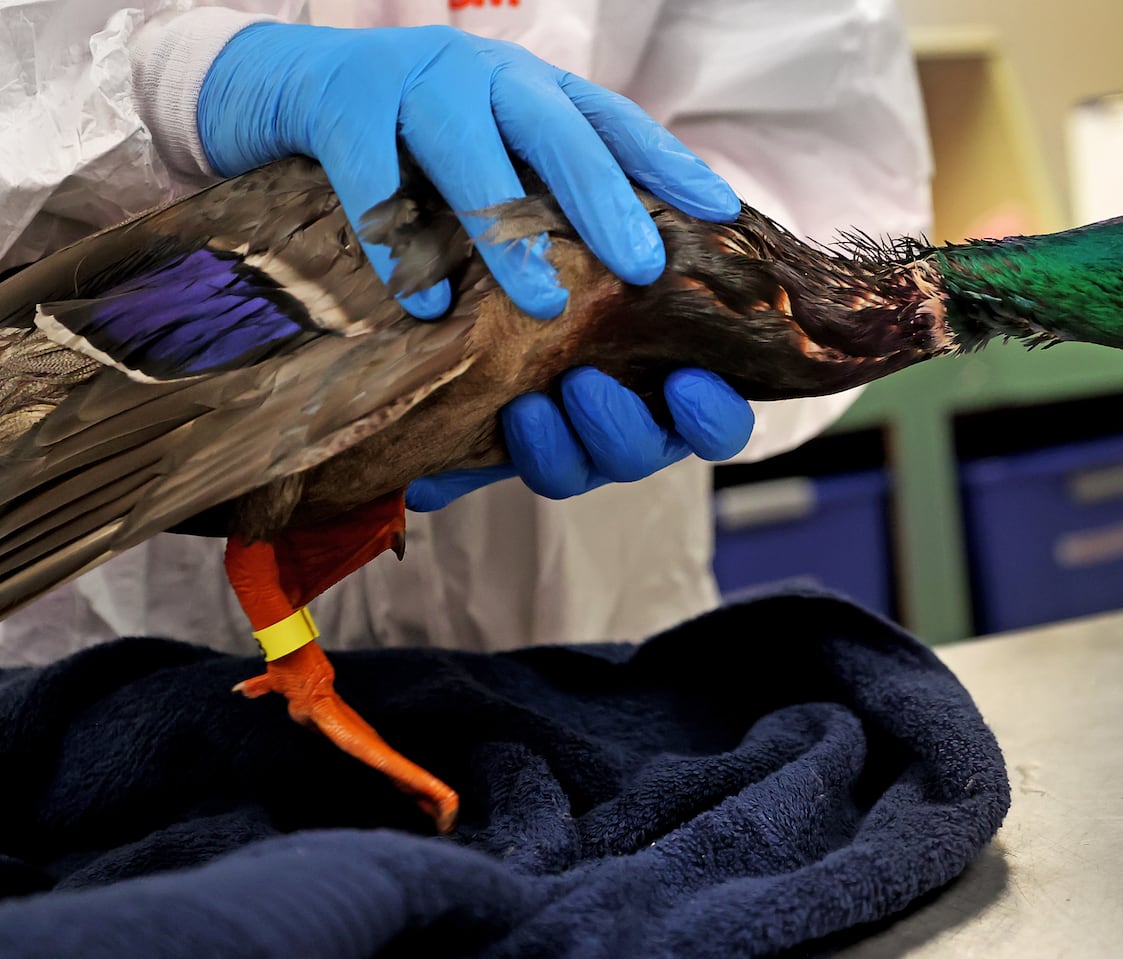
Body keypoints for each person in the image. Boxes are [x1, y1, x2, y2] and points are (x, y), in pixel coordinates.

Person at [0, 0, 934, 663]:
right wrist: (175, 85)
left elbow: (813, 126)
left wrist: (676, 311)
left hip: (566, 599)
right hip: (117, 604)